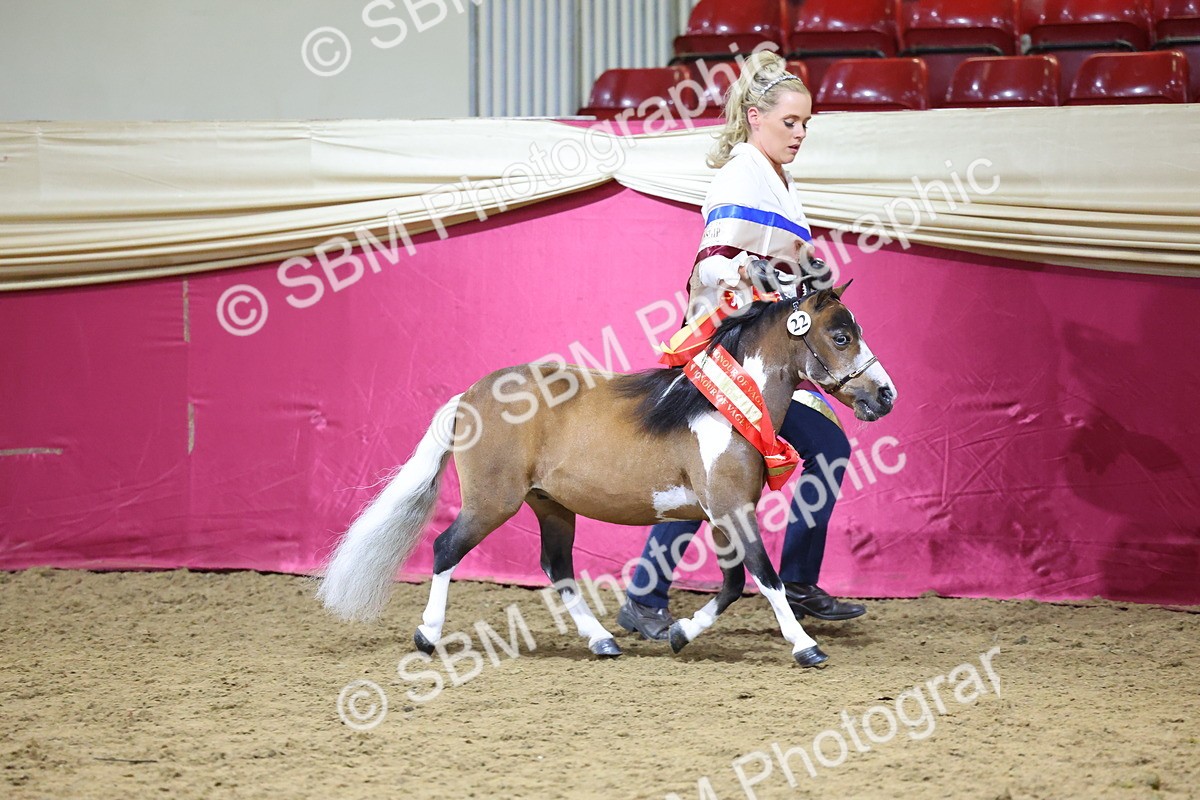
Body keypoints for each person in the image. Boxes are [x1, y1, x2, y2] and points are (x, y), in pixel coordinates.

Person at [616, 51, 865, 641]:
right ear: (756, 117)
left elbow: (777, 267)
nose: (801, 133)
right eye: (791, 123)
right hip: (726, 358)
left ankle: (798, 583)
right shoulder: (740, 175)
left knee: (823, 450)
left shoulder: (777, 176)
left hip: (769, 359)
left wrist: (807, 278)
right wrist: (776, 279)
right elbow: (713, 270)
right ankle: (645, 595)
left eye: (807, 124)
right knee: (712, 480)